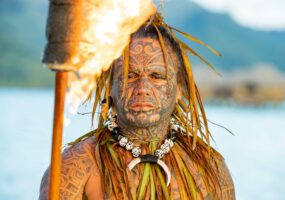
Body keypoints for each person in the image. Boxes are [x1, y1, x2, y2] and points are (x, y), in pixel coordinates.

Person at [39, 15, 235, 200]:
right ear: (110, 87)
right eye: (129, 75)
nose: (142, 88)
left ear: (179, 91)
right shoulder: (75, 166)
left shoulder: (211, 168)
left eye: (157, 76)